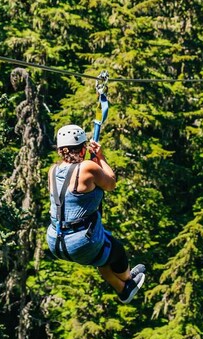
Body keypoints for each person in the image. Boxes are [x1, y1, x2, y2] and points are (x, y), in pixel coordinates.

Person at [46, 124, 145, 303]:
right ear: (83, 148)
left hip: (56, 241)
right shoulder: (87, 168)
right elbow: (111, 183)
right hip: (80, 242)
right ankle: (126, 283)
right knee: (117, 251)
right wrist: (100, 157)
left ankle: (126, 284)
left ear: (61, 150)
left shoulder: (52, 170)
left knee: (103, 254)